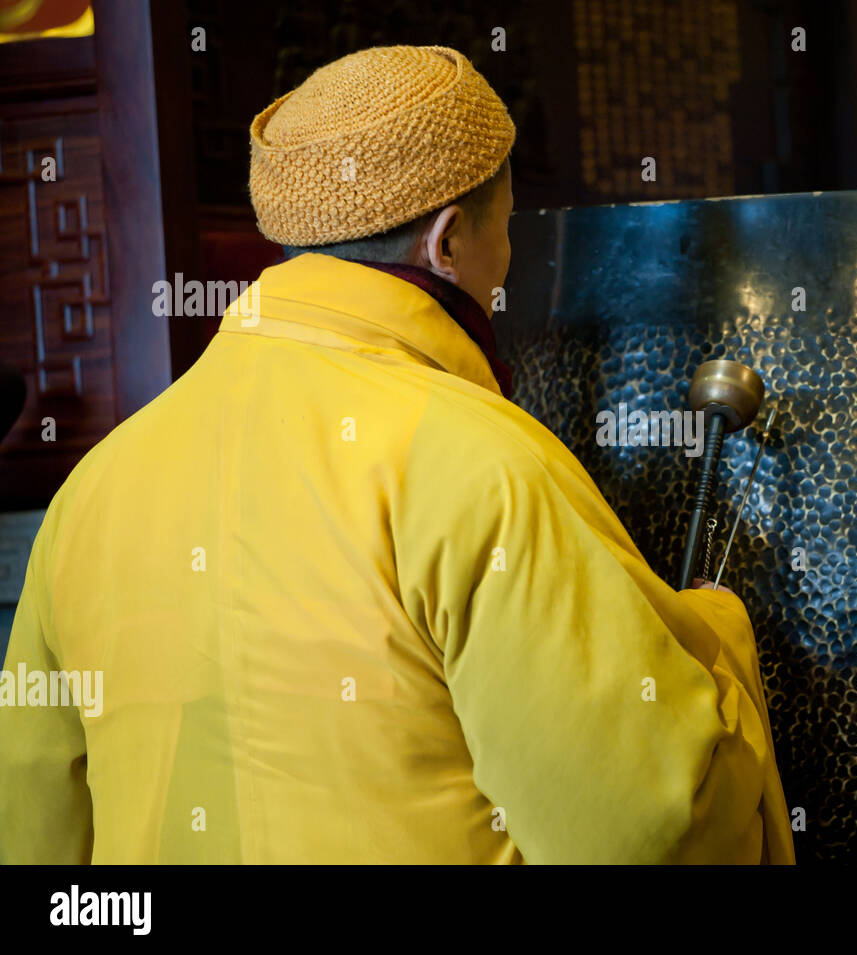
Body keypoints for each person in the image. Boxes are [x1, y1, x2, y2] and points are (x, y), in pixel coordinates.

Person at [0, 45, 794, 864]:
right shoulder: (484, 468)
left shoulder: (92, 491)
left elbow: (32, 834)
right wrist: (716, 636)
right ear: (448, 242)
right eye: (507, 227)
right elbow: (645, 830)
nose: (506, 265)